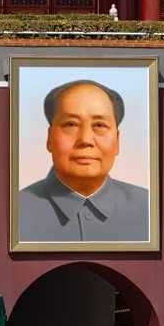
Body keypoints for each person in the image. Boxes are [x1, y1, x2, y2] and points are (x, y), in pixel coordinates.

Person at [18, 79, 150, 243]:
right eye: (71, 124)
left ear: (117, 140)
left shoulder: (150, 209)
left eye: (99, 125)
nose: (86, 139)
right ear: (49, 138)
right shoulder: (16, 210)